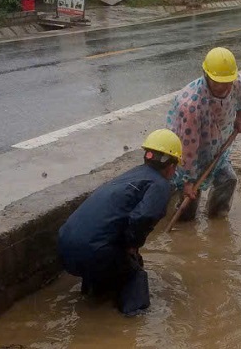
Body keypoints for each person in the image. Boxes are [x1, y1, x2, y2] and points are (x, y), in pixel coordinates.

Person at [57, 129, 182, 315]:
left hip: (65, 247)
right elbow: (143, 217)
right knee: (135, 275)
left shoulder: (132, 175)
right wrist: (132, 245)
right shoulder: (160, 185)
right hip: (92, 252)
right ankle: (132, 321)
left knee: (117, 260)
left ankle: (93, 295)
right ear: (171, 166)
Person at [165, 47, 241, 221]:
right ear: (205, 74)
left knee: (228, 180)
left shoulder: (237, 83)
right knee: (189, 198)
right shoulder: (191, 105)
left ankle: (217, 217)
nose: (222, 86)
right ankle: (182, 226)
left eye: (227, 81)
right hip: (190, 147)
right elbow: (188, 148)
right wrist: (188, 181)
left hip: (219, 143)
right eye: (216, 81)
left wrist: (240, 117)